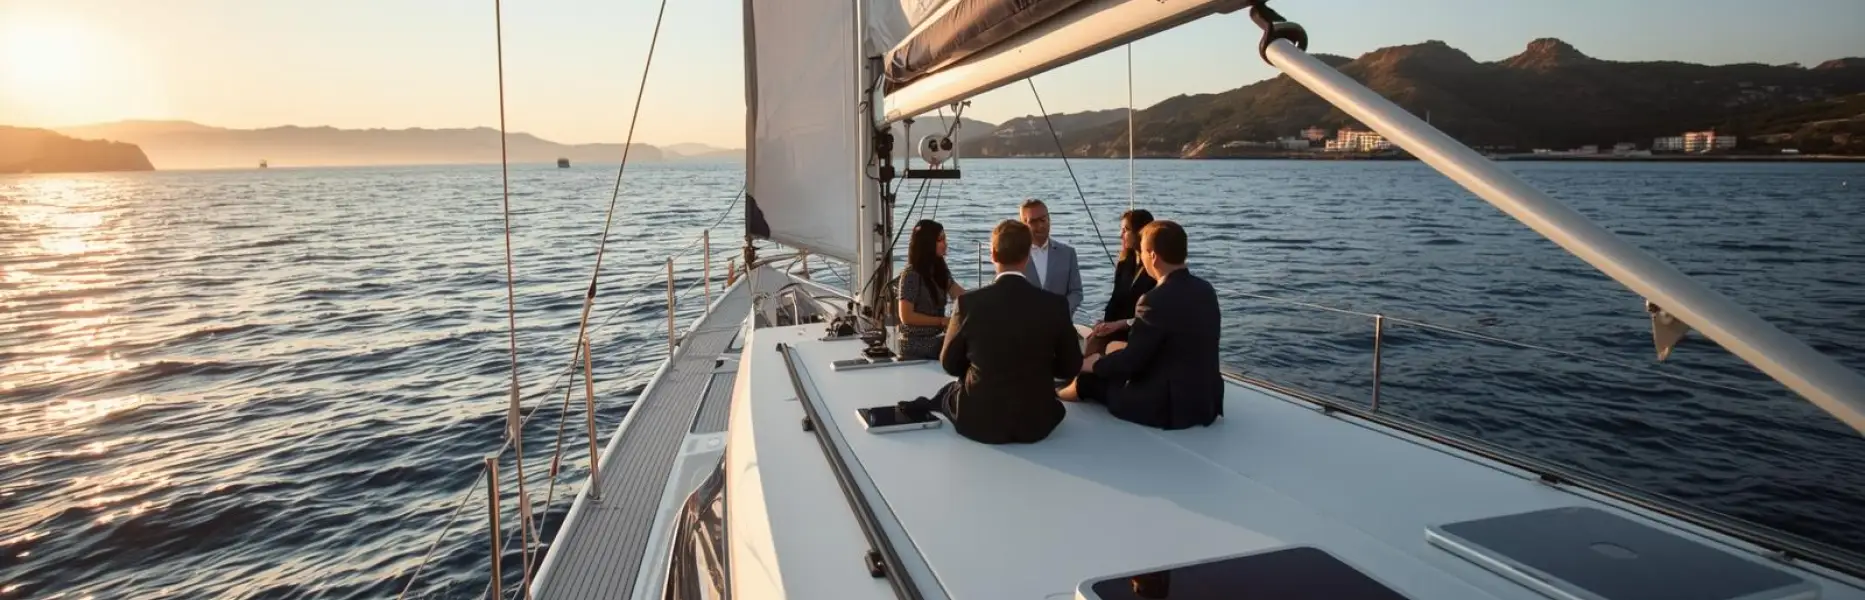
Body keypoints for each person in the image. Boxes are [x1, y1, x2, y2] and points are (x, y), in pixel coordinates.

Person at [908, 219, 1082, 444]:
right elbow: (1070, 366)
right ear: (1027, 256)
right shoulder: (1055, 305)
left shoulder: (967, 304)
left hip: (979, 421)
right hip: (1037, 423)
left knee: (949, 393)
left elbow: (950, 364)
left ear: (992, 254)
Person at [1059, 220, 1223, 430]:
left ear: (1153, 256)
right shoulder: (1205, 290)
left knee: (1088, 381)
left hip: (1168, 408)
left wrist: (1093, 363)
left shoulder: (1154, 299)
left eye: (1143, 253)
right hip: (1204, 402)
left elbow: (1130, 363)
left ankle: (1057, 394)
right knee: (1111, 354)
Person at [1086, 209, 1157, 357]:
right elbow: (1115, 299)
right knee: (1092, 341)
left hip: (1141, 330)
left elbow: (1153, 314)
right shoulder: (1125, 263)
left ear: (1140, 232)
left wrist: (1119, 325)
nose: (1121, 235)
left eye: (1126, 230)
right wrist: (1104, 324)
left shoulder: (1154, 268)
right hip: (1119, 327)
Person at [896, 220, 965, 360]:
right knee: (964, 347)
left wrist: (985, 299)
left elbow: (957, 292)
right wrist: (941, 321)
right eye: (940, 239)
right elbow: (906, 316)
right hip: (915, 342)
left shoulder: (940, 268)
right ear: (927, 243)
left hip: (936, 337)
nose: (945, 243)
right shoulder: (911, 274)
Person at [1017, 199, 1084, 316]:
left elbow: (1076, 292)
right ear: (1023, 224)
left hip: (1060, 325)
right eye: (1033, 222)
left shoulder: (1068, 254)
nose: (1041, 225)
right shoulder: (1014, 254)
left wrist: (1061, 311)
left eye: (1043, 219)